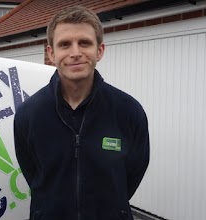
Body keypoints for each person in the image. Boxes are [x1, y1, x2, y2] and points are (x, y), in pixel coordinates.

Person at [14, 5, 149, 220]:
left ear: (99, 50)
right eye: (65, 44)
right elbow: (32, 174)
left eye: (84, 43)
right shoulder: (28, 115)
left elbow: (132, 176)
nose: (75, 53)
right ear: (51, 53)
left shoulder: (129, 111)